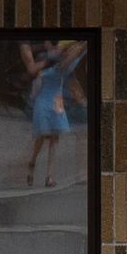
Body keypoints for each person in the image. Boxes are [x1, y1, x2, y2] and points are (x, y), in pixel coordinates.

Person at [18, 40, 86, 187]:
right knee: (48, 137)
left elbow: (33, 94)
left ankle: (43, 171)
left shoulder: (53, 70)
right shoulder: (56, 68)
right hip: (50, 103)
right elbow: (75, 57)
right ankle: (40, 167)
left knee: (49, 137)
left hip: (50, 102)